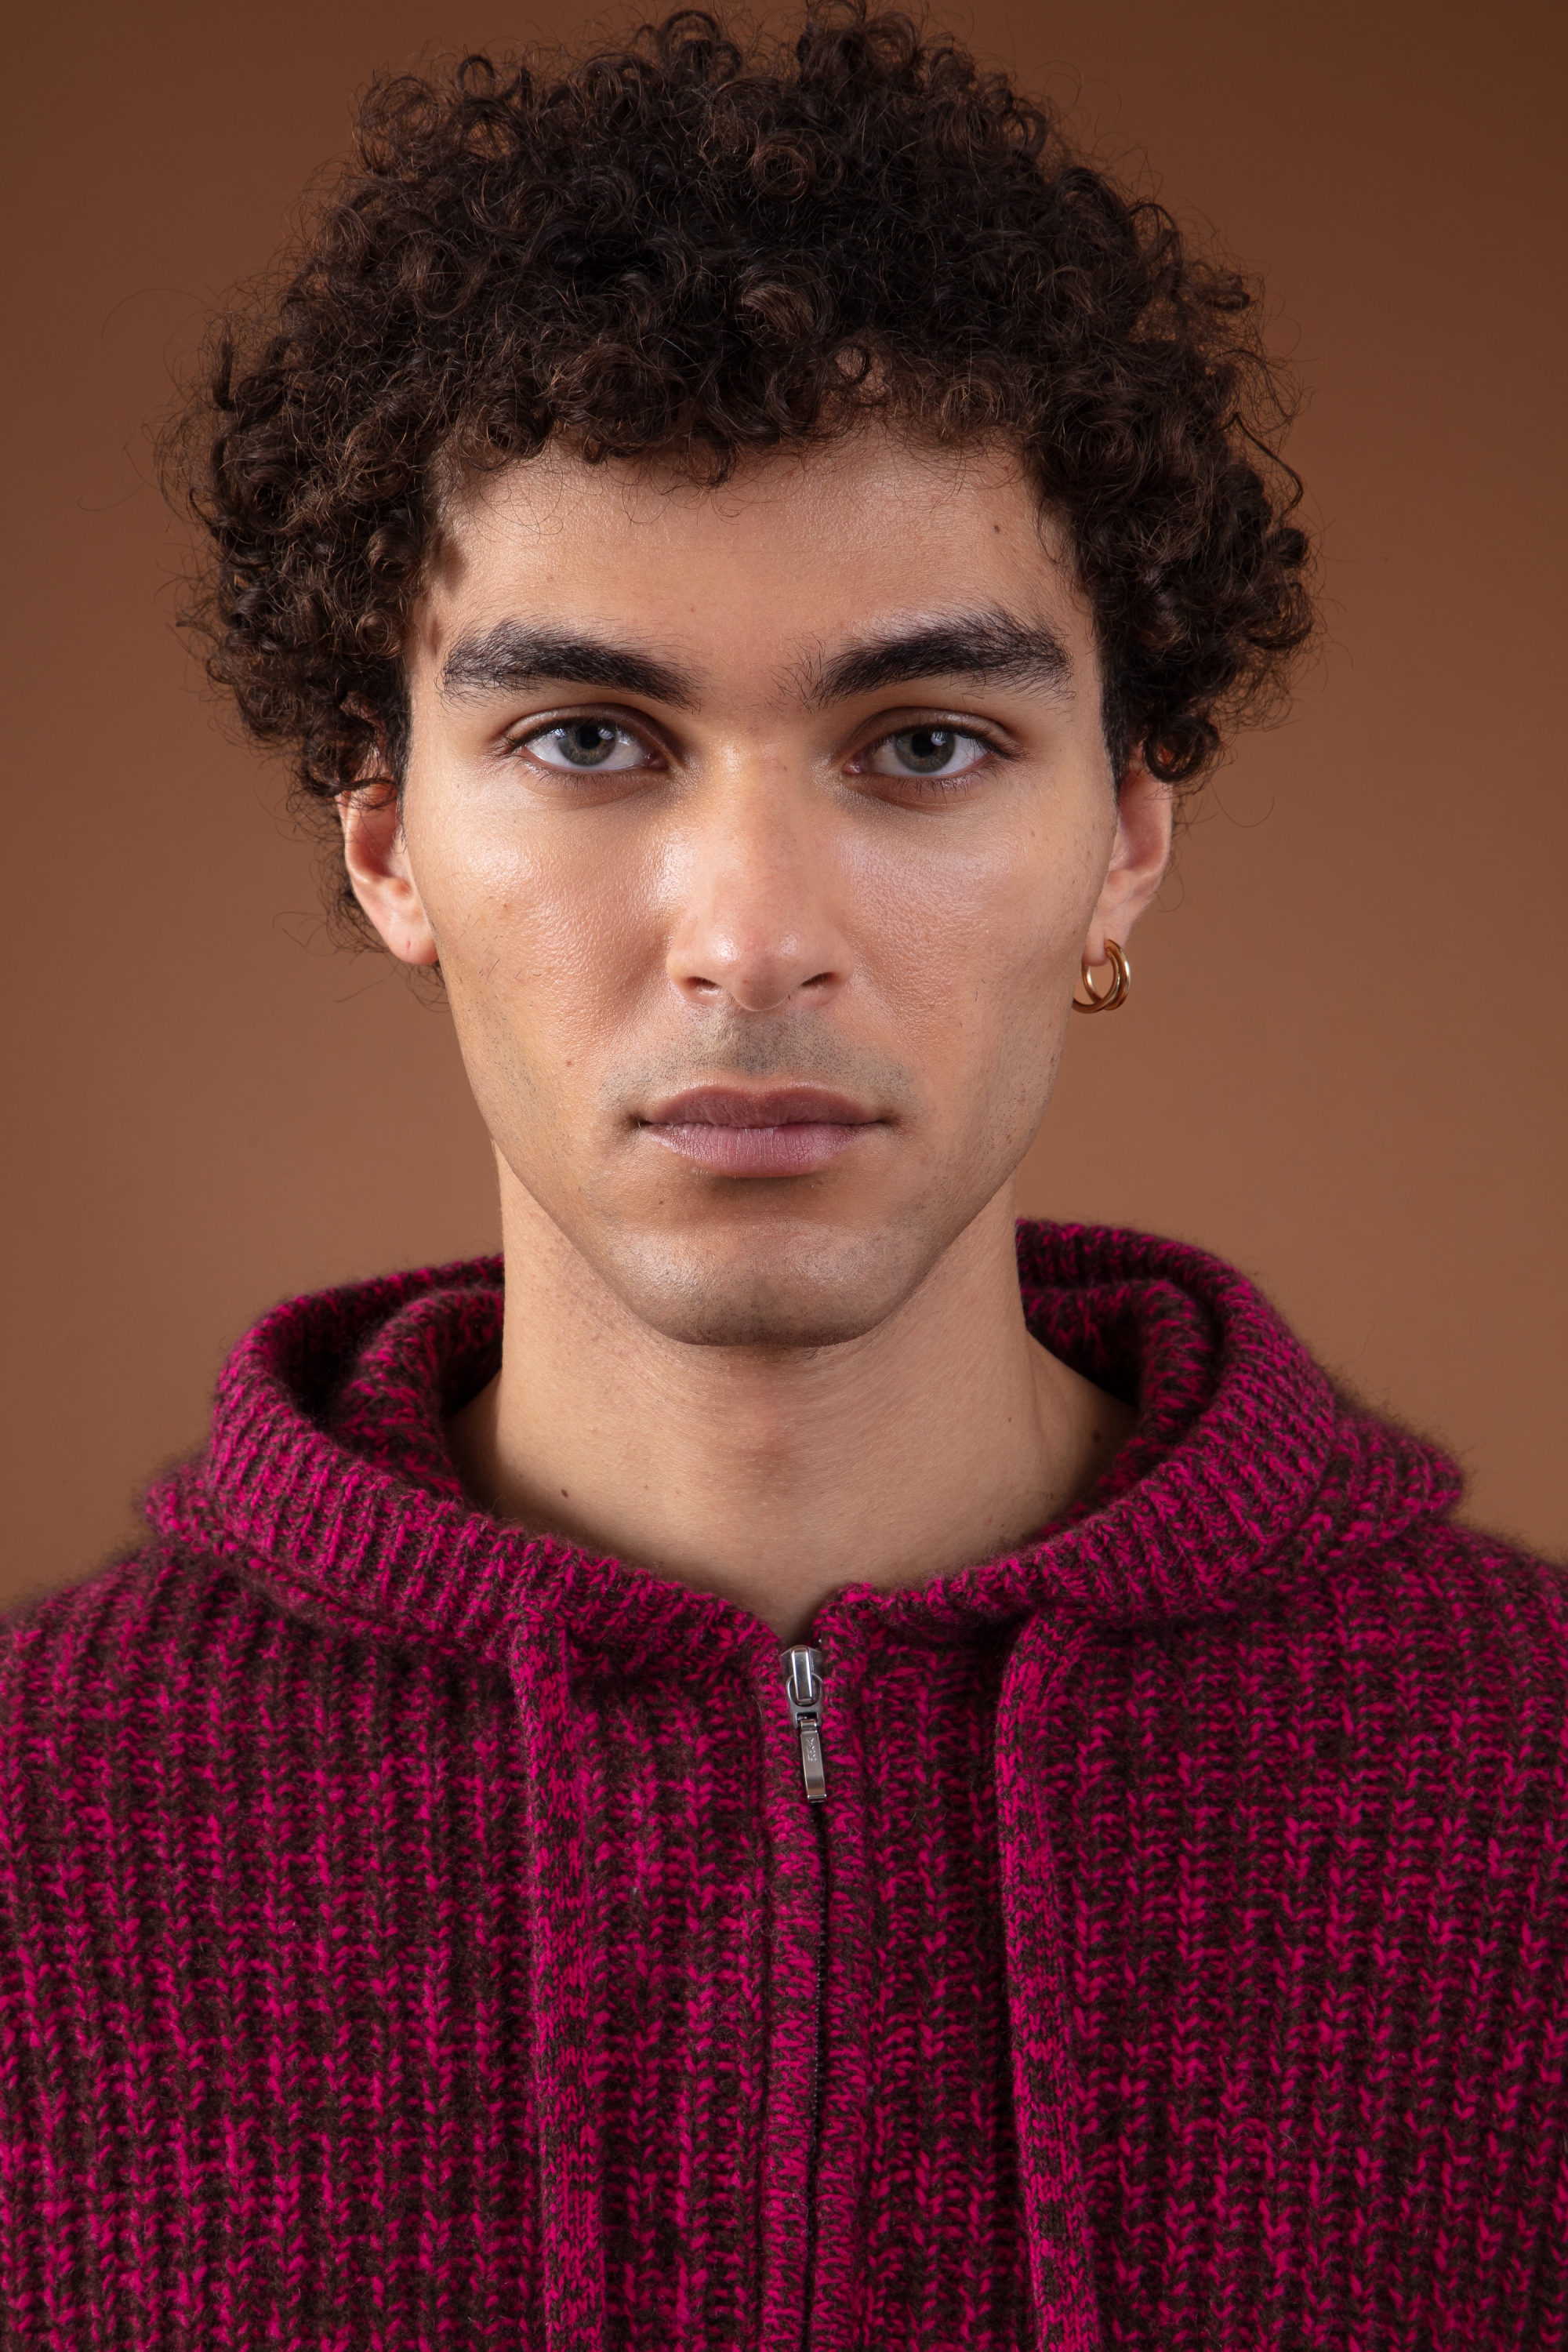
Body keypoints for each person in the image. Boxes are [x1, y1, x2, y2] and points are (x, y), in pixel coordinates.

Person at [3, 7, 1563, 2344]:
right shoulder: (38, 1824)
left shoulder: (1533, 1783)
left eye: (923, 744)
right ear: (388, 843)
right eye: (587, 738)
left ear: (1125, 840)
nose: (751, 939)